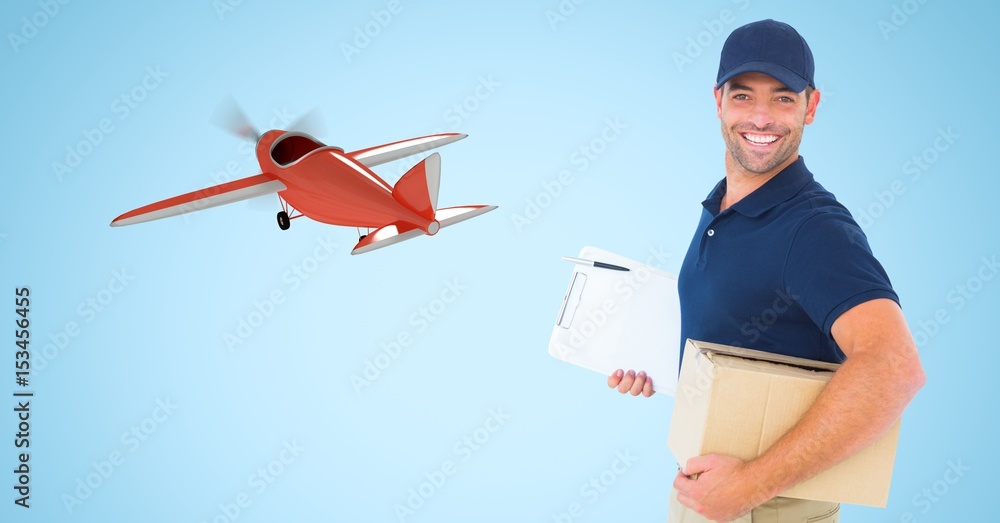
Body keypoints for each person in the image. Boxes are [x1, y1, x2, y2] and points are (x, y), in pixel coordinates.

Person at [607, 19, 926, 522]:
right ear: (718, 101)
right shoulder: (723, 204)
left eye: (782, 98)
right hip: (706, 494)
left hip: (768, 508)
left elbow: (894, 368)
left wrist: (751, 486)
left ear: (811, 106)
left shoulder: (814, 228)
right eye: (742, 96)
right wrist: (663, 368)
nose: (761, 117)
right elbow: (748, 339)